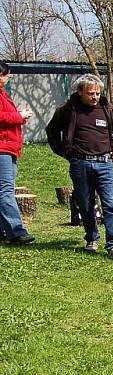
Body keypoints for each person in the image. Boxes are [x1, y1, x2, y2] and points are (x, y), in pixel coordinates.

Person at [46, 73, 113, 260]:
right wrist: (64, 151)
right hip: (80, 163)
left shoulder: (107, 109)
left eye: (97, 93)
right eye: (90, 93)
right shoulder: (68, 110)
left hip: (105, 163)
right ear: (80, 92)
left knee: (110, 204)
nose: (94, 97)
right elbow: (52, 130)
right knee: (85, 204)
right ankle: (92, 237)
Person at [0, 62, 35, 245]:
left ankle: (3, 230)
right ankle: (16, 231)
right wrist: (19, 116)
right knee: (5, 191)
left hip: (9, 147)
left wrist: (20, 117)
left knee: (5, 189)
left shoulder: (3, 95)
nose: (8, 79)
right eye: (6, 76)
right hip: (2, 148)